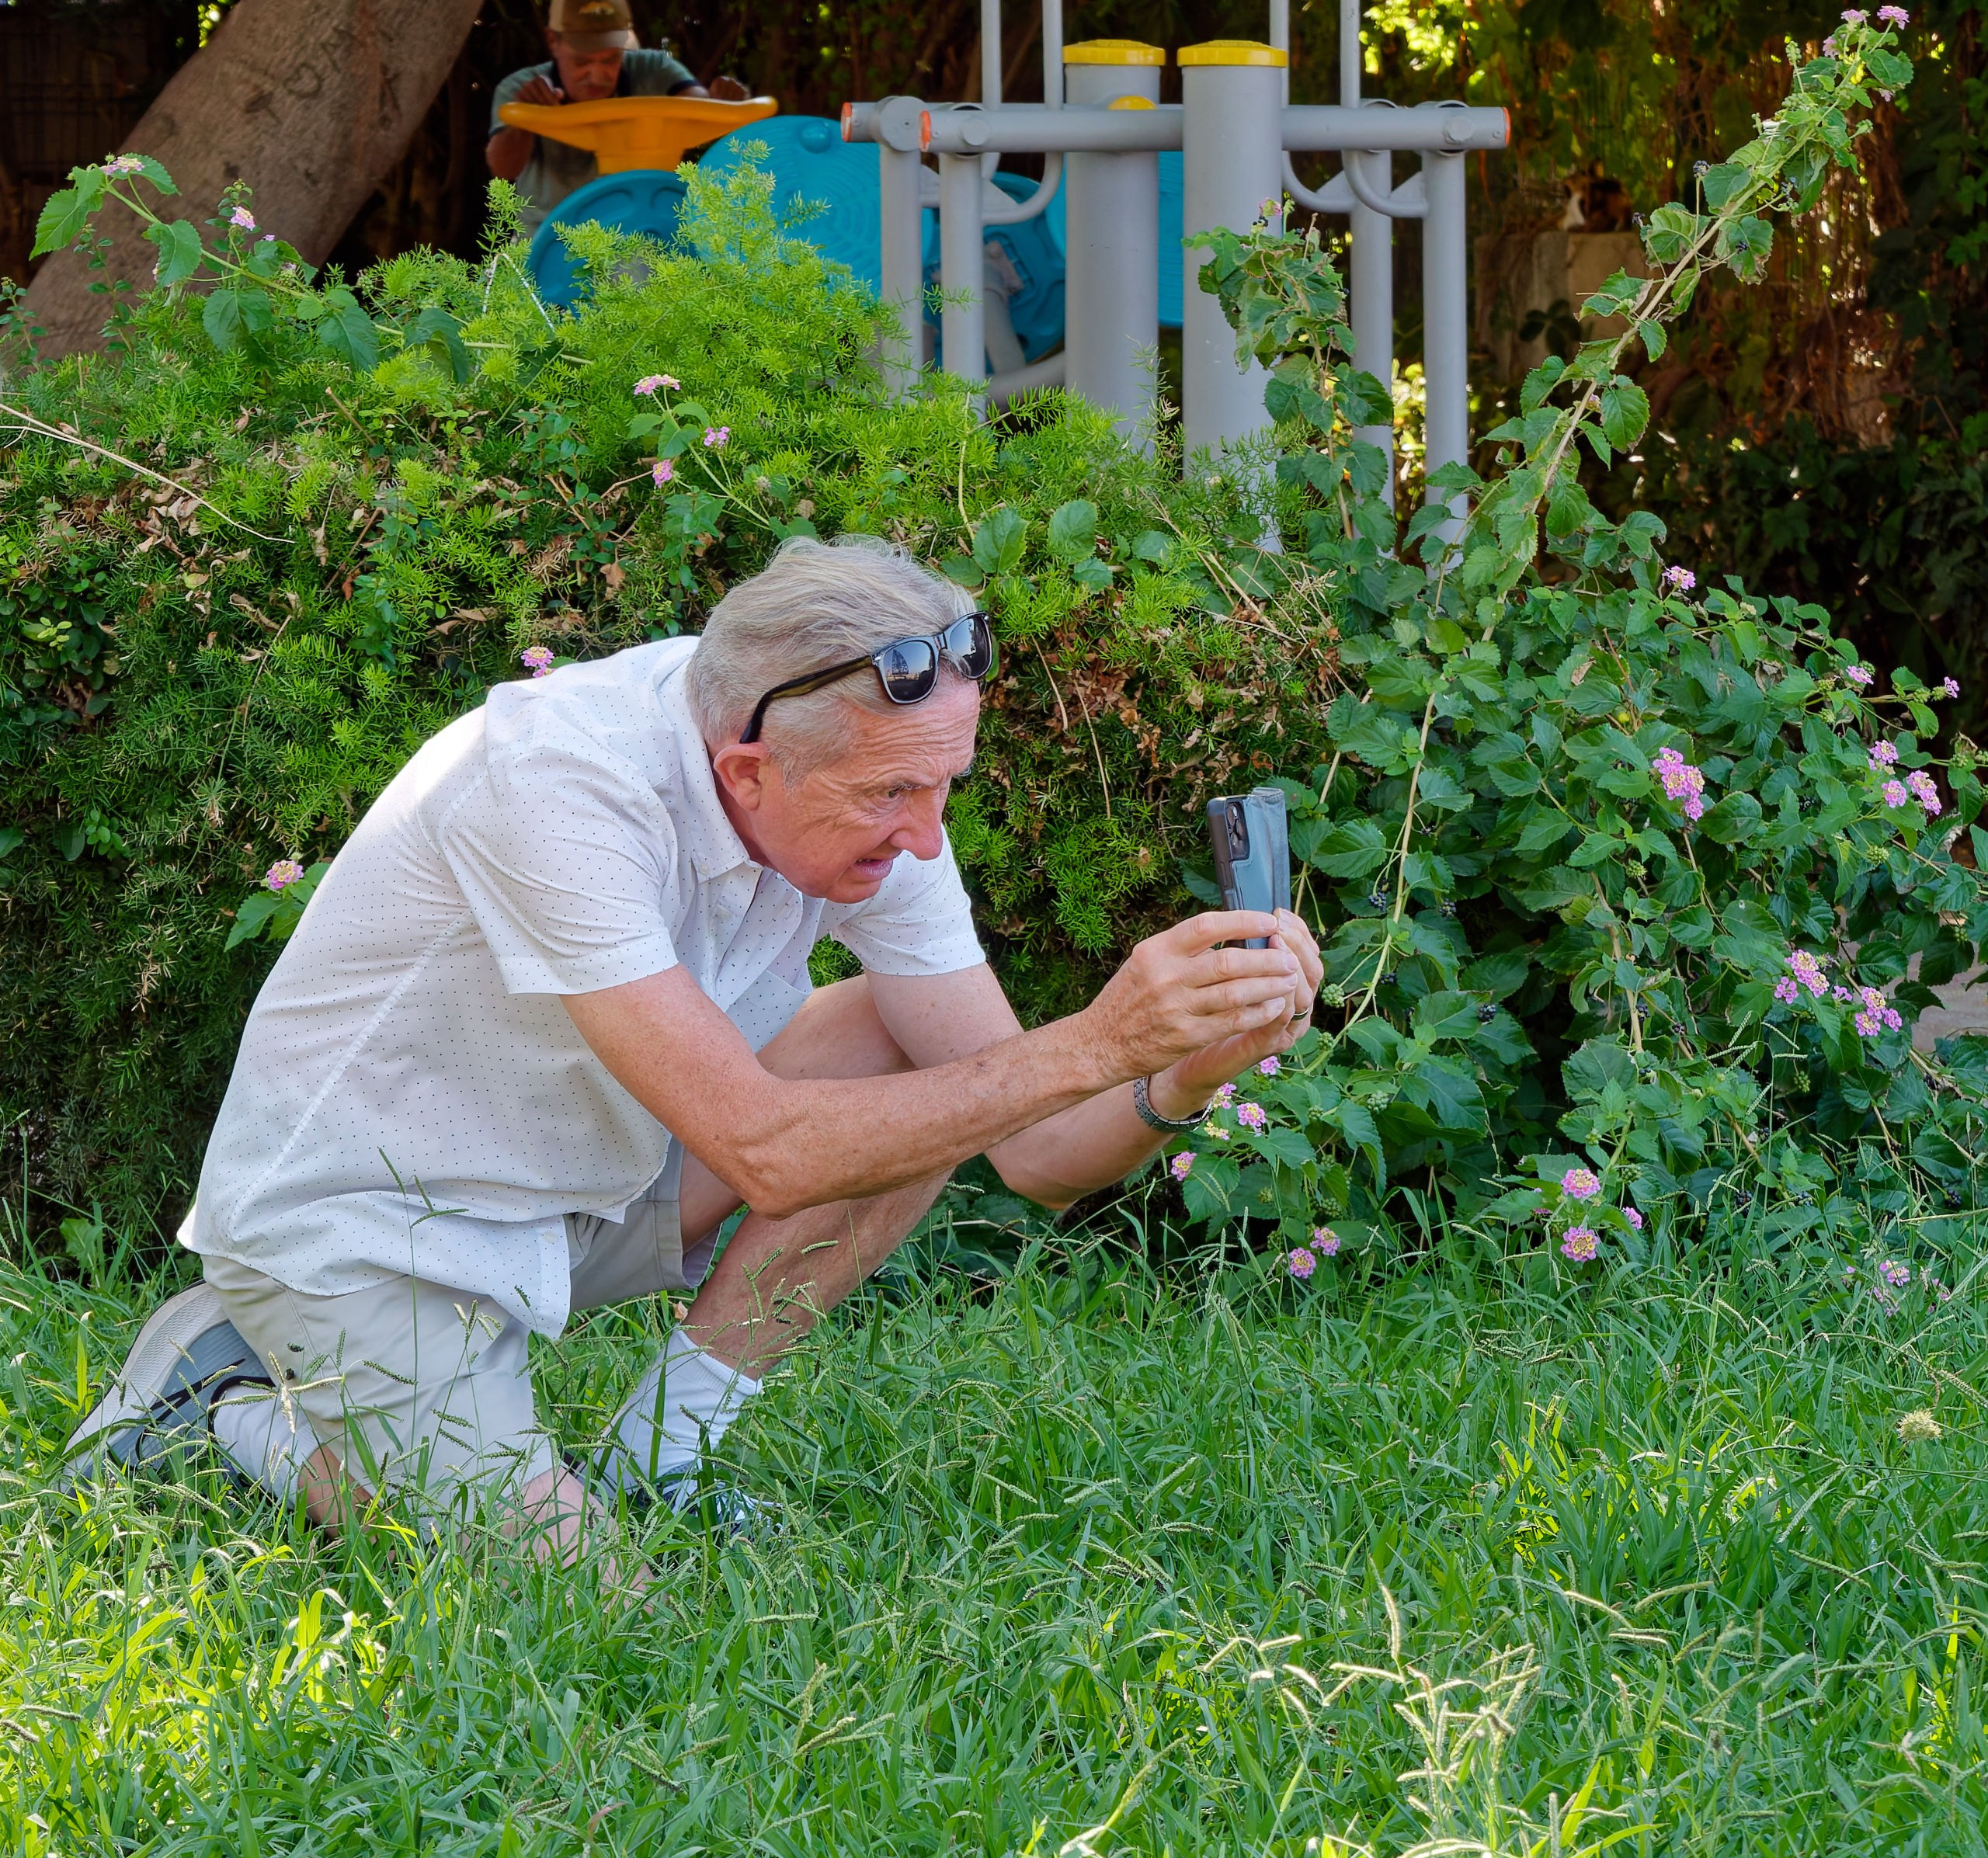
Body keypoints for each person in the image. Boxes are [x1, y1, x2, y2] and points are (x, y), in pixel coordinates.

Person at [67, 537, 1321, 1560]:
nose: (929, 841)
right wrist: (1096, 1034)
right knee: (580, 1596)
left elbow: (1039, 1153)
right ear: (746, 769)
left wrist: (1185, 1060)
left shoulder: (854, 771)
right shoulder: (559, 786)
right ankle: (221, 1415)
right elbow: (770, 1155)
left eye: (947, 788)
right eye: (894, 799)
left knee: (918, 1060)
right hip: (358, 1231)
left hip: (572, 1197)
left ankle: (657, 1463)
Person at [486, 0, 752, 238]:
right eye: (581, 62)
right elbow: (503, 169)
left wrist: (723, 101)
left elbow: (700, 104)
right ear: (553, 41)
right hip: (548, 240)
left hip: (638, 234)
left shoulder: (653, 69)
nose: (597, 75)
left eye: (611, 59)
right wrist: (524, 120)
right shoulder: (520, 88)